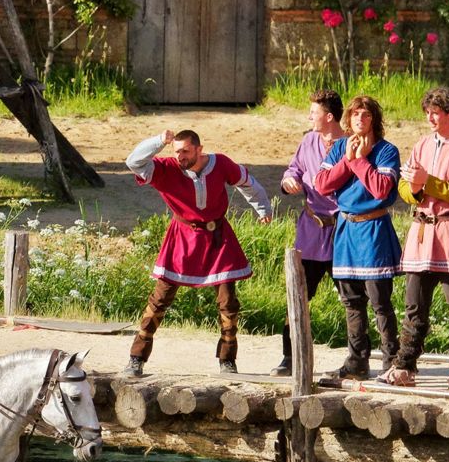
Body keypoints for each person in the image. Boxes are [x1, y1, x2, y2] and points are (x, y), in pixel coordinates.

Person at [121, 128, 272, 377]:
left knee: (228, 303)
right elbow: (133, 161)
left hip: (217, 238)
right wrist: (160, 141)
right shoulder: (166, 168)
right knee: (160, 299)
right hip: (182, 237)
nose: (180, 156)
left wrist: (263, 208)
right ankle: (136, 357)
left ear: (199, 149)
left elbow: (248, 183)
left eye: (185, 151)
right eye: (177, 151)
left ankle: (227, 360)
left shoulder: (220, 163)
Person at [283, 93, 400, 381]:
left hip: (373, 230)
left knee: (380, 301)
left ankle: (391, 363)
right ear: (348, 119)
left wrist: (359, 162)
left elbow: (382, 189)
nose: (360, 119)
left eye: (366, 114)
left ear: (374, 120)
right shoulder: (338, 149)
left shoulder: (386, 151)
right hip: (345, 230)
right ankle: (357, 361)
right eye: (355, 114)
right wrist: (347, 161)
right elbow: (322, 185)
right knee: (351, 301)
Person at [382, 86, 449, 393]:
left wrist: (427, 182)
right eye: (427, 111)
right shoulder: (422, 144)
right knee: (414, 305)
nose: (430, 117)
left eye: (436, 112)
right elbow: (405, 190)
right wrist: (414, 188)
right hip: (422, 233)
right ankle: (405, 365)